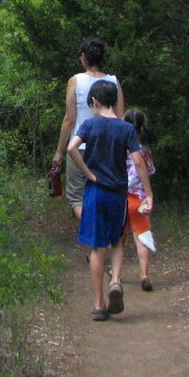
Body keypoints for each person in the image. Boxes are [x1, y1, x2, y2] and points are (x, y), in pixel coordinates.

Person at [67, 80, 150, 321]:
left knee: (96, 247)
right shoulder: (125, 129)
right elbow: (138, 161)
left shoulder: (90, 124)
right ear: (114, 101)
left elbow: (73, 148)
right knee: (117, 242)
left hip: (95, 192)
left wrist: (89, 173)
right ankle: (115, 280)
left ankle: (99, 303)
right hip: (118, 194)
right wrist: (149, 193)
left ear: (94, 101)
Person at [51, 39, 125, 223]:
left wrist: (59, 151)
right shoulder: (113, 81)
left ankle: (94, 236)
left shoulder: (75, 81)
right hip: (109, 149)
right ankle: (101, 238)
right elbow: (121, 116)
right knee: (105, 192)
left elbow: (69, 119)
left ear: (83, 57)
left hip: (80, 147)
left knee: (77, 198)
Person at [123, 108, 157, 292]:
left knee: (119, 237)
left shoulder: (118, 146)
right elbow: (150, 170)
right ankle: (144, 275)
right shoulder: (143, 149)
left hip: (120, 197)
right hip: (140, 199)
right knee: (142, 236)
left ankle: (116, 275)